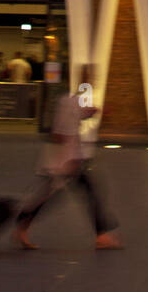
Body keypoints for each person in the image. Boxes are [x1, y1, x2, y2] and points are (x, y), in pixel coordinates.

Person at [14, 72, 122, 251]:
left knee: (66, 194)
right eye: (88, 80)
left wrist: (94, 111)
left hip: (70, 160)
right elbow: (60, 133)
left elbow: (79, 114)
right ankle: (22, 225)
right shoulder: (67, 101)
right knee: (70, 194)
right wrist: (67, 160)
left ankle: (22, 225)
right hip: (66, 161)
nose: (90, 84)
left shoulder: (71, 100)